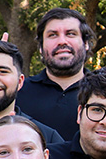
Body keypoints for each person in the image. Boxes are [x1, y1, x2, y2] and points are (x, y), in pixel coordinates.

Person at [18, 8, 95, 138]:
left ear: (86, 43)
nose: (62, 41)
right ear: (41, 48)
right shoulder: (18, 92)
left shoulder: (104, 92)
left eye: (70, 34)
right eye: (53, 35)